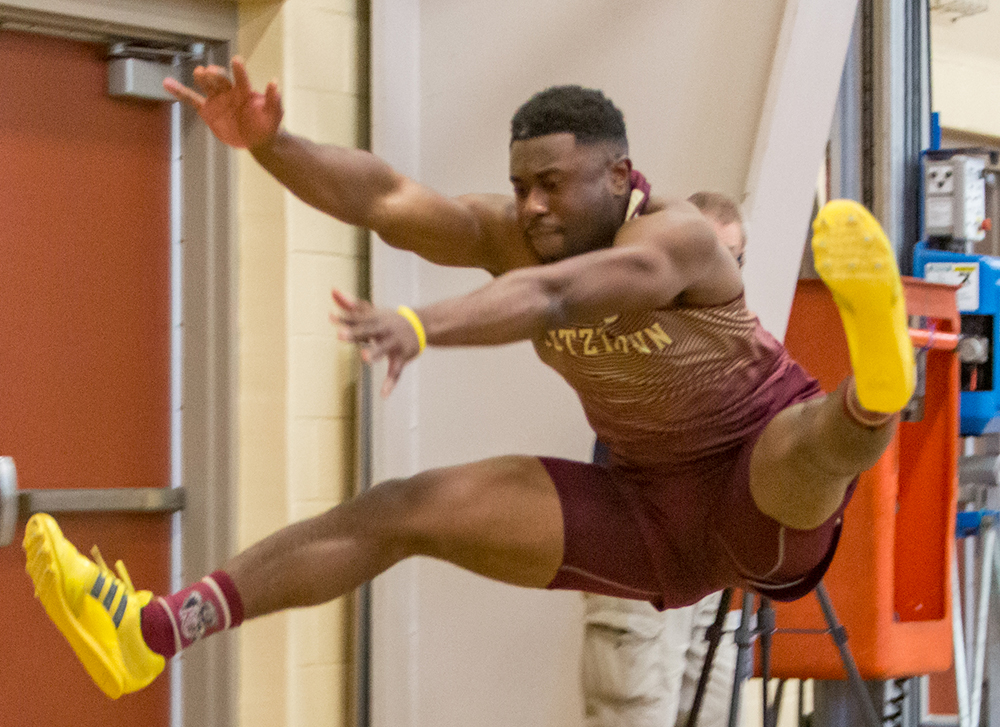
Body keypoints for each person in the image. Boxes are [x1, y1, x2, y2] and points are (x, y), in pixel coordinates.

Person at [24, 59, 914, 701]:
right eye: (519, 185)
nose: (530, 208)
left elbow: (562, 297)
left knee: (806, 439)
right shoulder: (516, 234)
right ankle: (153, 632)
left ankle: (877, 378)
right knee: (401, 508)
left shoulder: (677, 237)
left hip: (755, 481)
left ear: (618, 175)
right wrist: (273, 143)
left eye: (553, 185)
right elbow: (390, 201)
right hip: (643, 510)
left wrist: (421, 324)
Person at [582, 192, 745, 727]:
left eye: (732, 259)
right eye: (708, 256)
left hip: (706, 570)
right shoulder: (640, 331)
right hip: (642, 570)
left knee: (719, 709)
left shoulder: (725, 338)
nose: (720, 273)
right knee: (637, 709)